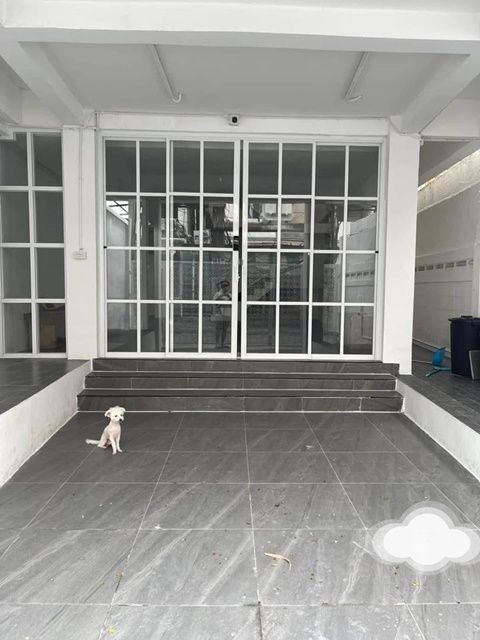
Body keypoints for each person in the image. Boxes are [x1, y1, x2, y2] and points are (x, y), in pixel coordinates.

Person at [212, 279, 232, 348]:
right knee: (218, 329)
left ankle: (222, 343)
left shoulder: (230, 295)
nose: (225, 287)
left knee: (225, 329)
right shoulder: (217, 294)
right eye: (223, 286)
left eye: (226, 285)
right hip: (219, 314)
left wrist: (228, 296)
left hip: (227, 313)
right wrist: (221, 296)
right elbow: (215, 304)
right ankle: (217, 343)